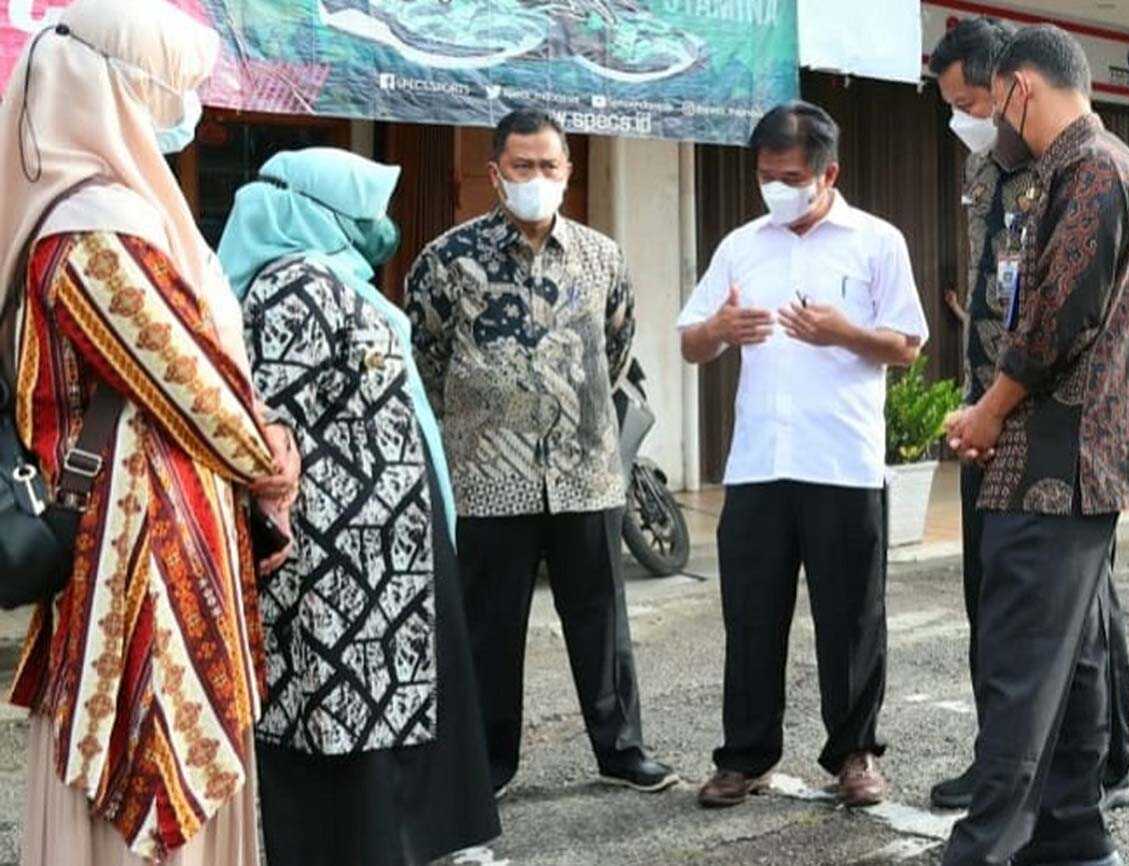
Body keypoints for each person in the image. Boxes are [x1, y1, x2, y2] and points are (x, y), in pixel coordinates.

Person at [0, 1, 300, 862]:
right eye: (164, 91)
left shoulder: (110, 215)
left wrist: (264, 437)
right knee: (151, 781)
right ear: (114, 92)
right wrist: (271, 455)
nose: (181, 114)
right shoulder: (93, 229)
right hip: (137, 565)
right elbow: (192, 383)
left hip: (163, 545)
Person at [219, 147, 501, 866]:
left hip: (382, 548)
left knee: (388, 706)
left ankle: (397, 844)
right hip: (339, 555)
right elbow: (271, 429)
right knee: (342, 713)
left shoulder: (334, 278)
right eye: (362, 211)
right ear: (311, 212)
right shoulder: (292, 286)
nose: (378, 227)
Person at [943, 24, 1129, 866]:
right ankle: (1073, 834)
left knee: (1021, 669)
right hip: (1064, 463)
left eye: (990, 103)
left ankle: (985, 848)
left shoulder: (1094, 169)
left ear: (1021, 89)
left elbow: (1053, 323)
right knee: (1072, 665)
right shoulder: (1083, 170)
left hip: (1054, 461)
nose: (991, 122)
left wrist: (988, 412)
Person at [405, 108, 677, 797]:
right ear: (495, 173)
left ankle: (622, 751)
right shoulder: (446, 260)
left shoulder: (601, 256)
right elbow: (427, 357)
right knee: (490, 627)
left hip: (585, 472)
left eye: (548, 166)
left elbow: (615, 348)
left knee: (600, 620)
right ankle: (490, 764)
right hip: (488, 477)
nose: (536, 178)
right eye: (521, 166)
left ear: (568, 170)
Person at [678, 101, 929, 810]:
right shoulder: (741, 246)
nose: (776, 189)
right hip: (759, 464)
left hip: (842, 462)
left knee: (851, 619)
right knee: (751, 617)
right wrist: (719, 329)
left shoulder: (877, 242)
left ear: (828, 174)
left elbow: (907, 345)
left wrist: (844, 333)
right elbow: (691, 343)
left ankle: (854, 754)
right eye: (766, 176)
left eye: (790, 177)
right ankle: (744, 757)